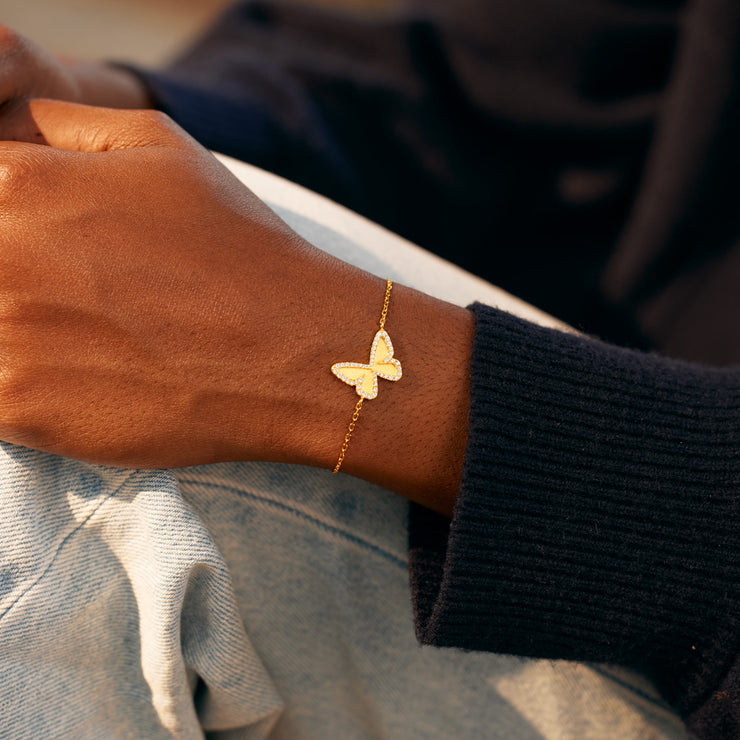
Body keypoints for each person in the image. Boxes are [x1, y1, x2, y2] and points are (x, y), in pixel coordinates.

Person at [0, 1, 737, 736]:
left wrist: (355, 370)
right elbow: (471, 78)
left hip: (671, 606)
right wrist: (82, 117)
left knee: (55, 469)